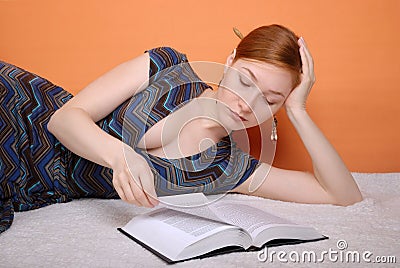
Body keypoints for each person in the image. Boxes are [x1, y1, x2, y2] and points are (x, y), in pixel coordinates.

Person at [0, 24, 363, 234]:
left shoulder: (226, 168)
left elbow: (343, 196)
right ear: (230, 60)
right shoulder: (166, 66)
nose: (246, 104)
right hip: (21, 113)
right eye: (245, 80)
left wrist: (298, 109)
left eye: (270, 100)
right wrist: (121, 156)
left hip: (33, 183)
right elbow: (63, 118)